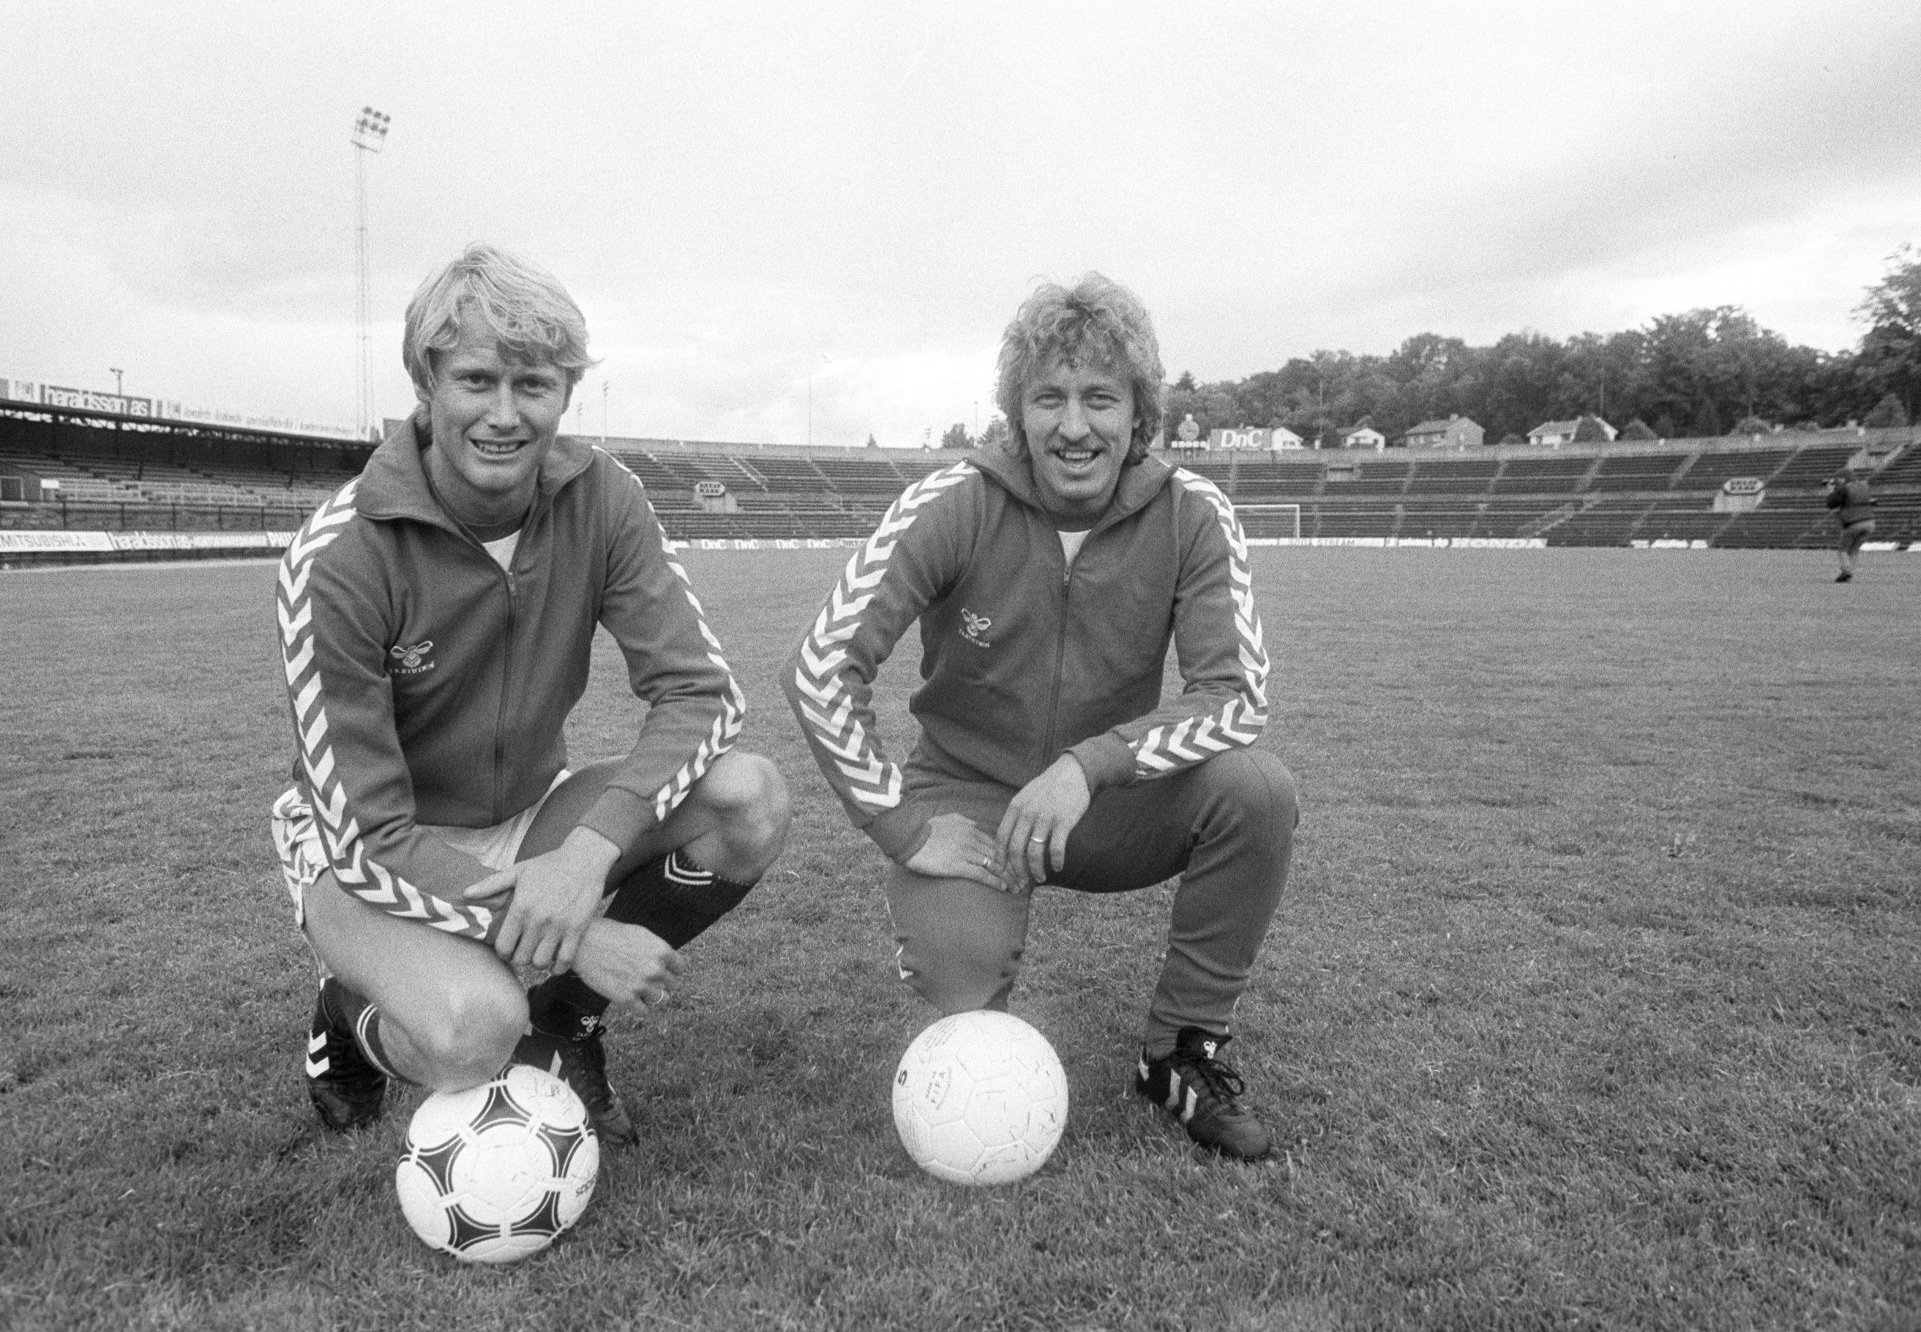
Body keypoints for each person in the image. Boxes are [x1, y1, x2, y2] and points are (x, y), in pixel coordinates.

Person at [271, 243, 789, 1145]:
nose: (505, 415)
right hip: (368, 850)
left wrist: (585, 856)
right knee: (476, 1031)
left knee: (749, 798)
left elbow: (698, 694)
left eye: (534, 385)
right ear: (425, 382)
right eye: (476, 380)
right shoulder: (340, 560)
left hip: (532, 815)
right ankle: (348, 1016)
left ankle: (569, 1026)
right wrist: (576, 935)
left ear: (566, 391)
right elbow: (367, 834)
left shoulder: (603, 500)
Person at [782, 273, 1298, 1161]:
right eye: (1046, 398)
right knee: (959, 979)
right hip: (969, 806)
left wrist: (1089, 764)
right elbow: (822, 667)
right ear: (1014, 414)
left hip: (1102, 806)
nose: (1072, 425)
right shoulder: (954, 502)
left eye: (1101, 398)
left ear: (1140, 414)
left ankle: (1181, 1049)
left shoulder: (1192, 514)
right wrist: (901, 828)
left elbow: (1235, 694)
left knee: (1255, 792)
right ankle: (975, 1007)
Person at [1825, 469, 1876, 582]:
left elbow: (1831, 503)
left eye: (1838, 480)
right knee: (1854, 549)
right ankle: (1850, 573)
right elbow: (1871, 500)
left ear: (1843, 479)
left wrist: (1830, 492)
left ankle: (1846, 571)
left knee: (1842, 549)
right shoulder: (1864, 485)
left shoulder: (1844, 488)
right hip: (1870, 523)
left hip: (1854, 523)